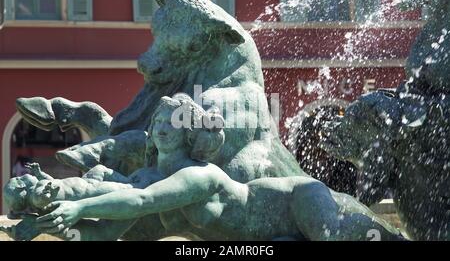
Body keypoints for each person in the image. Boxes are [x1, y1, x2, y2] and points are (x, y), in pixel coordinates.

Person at [36, 95, 402, 241]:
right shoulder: (152, 177)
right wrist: (46, 223)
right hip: (265, 238)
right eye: (159, 120)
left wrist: (79, 207)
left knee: (335, 236)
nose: (162, 127)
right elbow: (105, 235)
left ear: (190, 135)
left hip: (294, 201)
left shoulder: (198, 175)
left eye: (173, 123)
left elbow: (142, 203)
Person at [3, 162, 161, 213]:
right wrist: (45, 193)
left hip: (86, 181)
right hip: (92, 192)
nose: (22, 175)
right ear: (20, 187)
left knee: (100, 169)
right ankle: (151, 184)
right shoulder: (36, 195)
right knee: (129, 189)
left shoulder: (38, 187)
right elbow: (41, 199)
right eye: (19, 178)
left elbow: (53, 183)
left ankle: (130, 181)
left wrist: (39, 174)